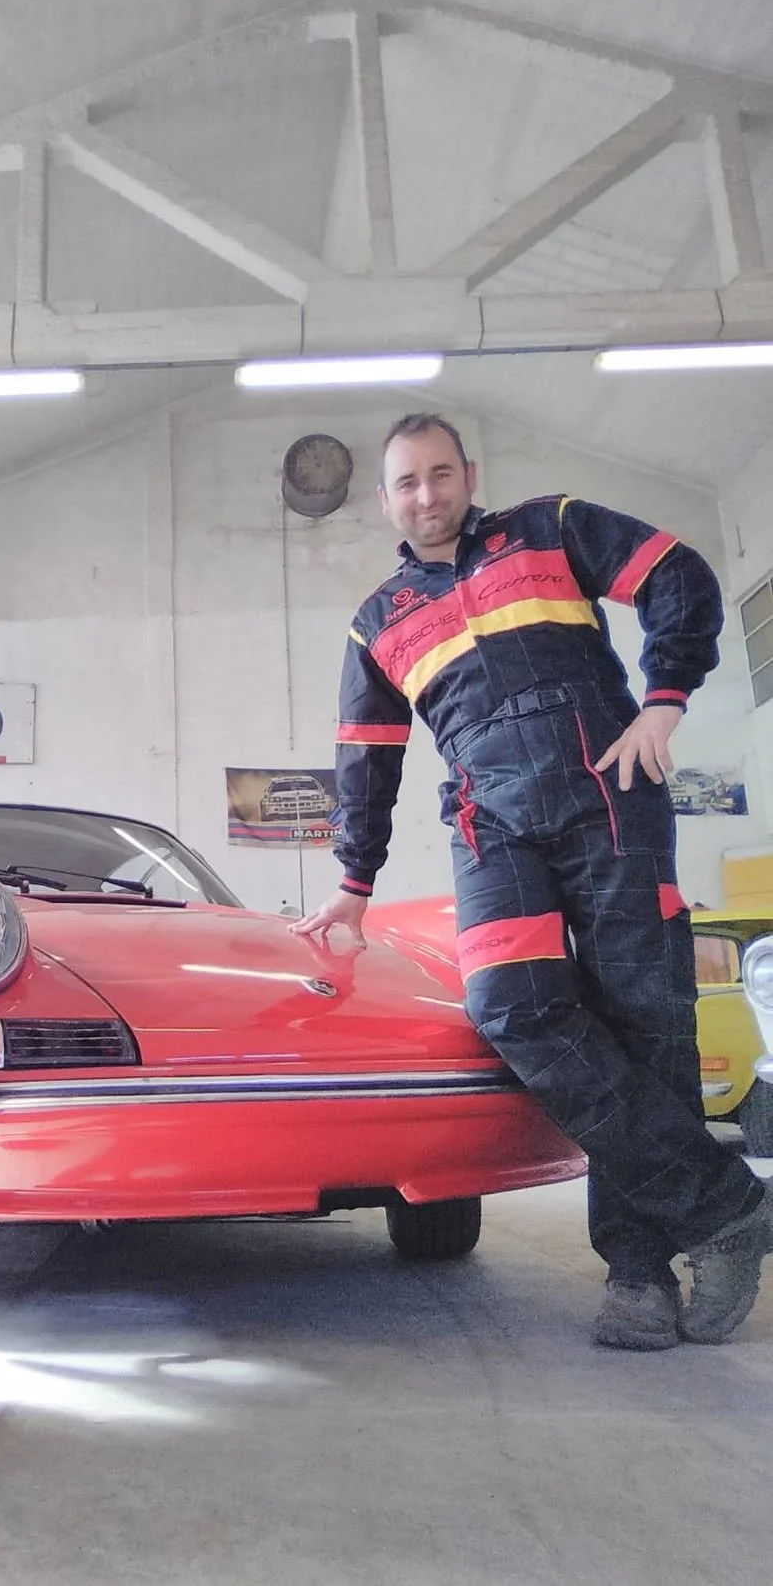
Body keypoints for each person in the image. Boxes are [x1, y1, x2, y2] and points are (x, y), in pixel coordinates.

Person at [292, 413, 773, 1352]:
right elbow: (366, 758)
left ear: (468, 474)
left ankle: (636, 1273)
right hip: (489, 820)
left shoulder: (551, 527)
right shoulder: (377, 622)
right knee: (512, 1006)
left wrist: (663, 704)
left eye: (440, 473)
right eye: (406, 482)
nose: (426, 494)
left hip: (611, 789)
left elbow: (678, 576)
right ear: (385, 498)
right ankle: (726, 1207)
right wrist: (353, 880)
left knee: (644, 1016)